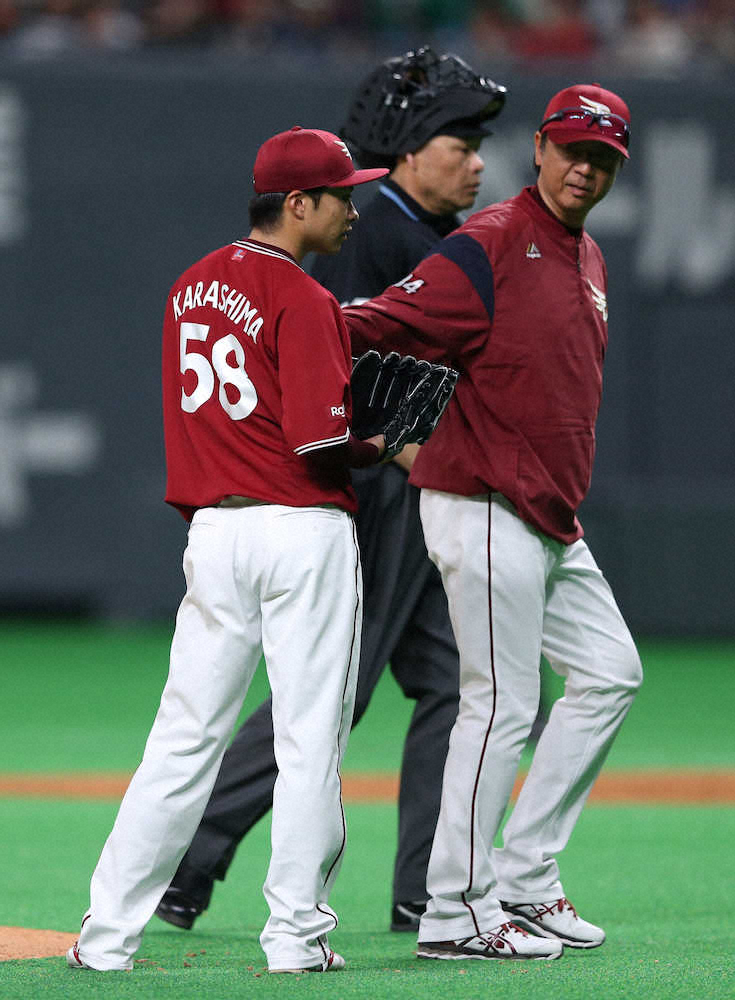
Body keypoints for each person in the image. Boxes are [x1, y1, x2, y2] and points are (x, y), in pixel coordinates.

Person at [154, 47, 509, 938]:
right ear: (407, 150)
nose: (475, 160)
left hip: (420, 483)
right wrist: (385, 455)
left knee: (453, 683)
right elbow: (323, 374)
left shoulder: (410, 230)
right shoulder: (375, 229)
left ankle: (427, 890)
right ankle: (187, 861)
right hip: (375, 483)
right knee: (337, 693)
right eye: (459, 141)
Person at [67, 126, 391, 974]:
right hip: (300, 530)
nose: (353, 210)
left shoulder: (187, 287)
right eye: (341, 195)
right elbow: (320, 442)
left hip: (215, 534)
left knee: (181, 742)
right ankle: (295, 939)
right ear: (297, 203)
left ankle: (104, 940)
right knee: (308, 742)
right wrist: (379, 442)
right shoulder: (305, 298)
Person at [343, 84, 644, 961]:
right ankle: (454, 911)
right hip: (479, 501)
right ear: (541, 149)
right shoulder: (488, 242)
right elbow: (382, 319)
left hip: (548, 513)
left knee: (608, 676)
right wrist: (299, 325)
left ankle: (524, 880)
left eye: (602, 160)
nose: (584, 168)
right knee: (499, 703)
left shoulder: (583, 255)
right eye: (571, 151)